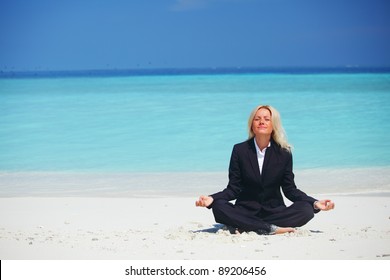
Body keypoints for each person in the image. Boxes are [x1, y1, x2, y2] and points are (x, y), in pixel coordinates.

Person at [195, 105, 335, 235]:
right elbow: (233, 188)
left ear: (273, 125)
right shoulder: (240, 150)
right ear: (252, 125)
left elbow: (290, 190)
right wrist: (212, 199)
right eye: (257, 119)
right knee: (219, 206)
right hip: (245, 211)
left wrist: (315, 203)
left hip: (274, 212)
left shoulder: (284, 152)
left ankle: (249, 226)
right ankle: (268, 228)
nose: (262, 122)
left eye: (267, 119)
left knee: (306, 210)